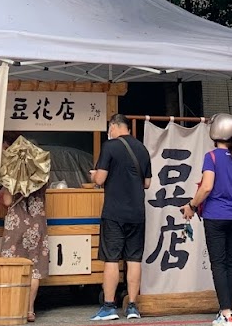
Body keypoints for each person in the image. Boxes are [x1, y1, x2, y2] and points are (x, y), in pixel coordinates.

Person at [182, 114, 232, 326]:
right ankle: (227, 310)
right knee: (231, 263)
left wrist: (191, 205)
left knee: (218, 264)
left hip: (215, 216)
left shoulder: (211, 157)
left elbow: (207, 186)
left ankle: (226, 313)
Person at [91, 114, 152, 322]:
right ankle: (133, 306)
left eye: (110, 128)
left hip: (114, 212)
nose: (109, 132)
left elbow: (100, 179)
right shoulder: (142, 149)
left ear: (115, 126)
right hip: (137, 213)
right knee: (134, 259)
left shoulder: (110, 146)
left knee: (111, 258)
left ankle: (109, 306)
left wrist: (93, 175)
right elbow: (147, 183)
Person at [0, 136, 51, 322]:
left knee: (12, 266)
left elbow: (7, 201)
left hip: (16, 226)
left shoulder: (11, 175)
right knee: (34, 269)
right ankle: (29, 310)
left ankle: (14, 308)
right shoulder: (42, 174)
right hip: (37, 225)